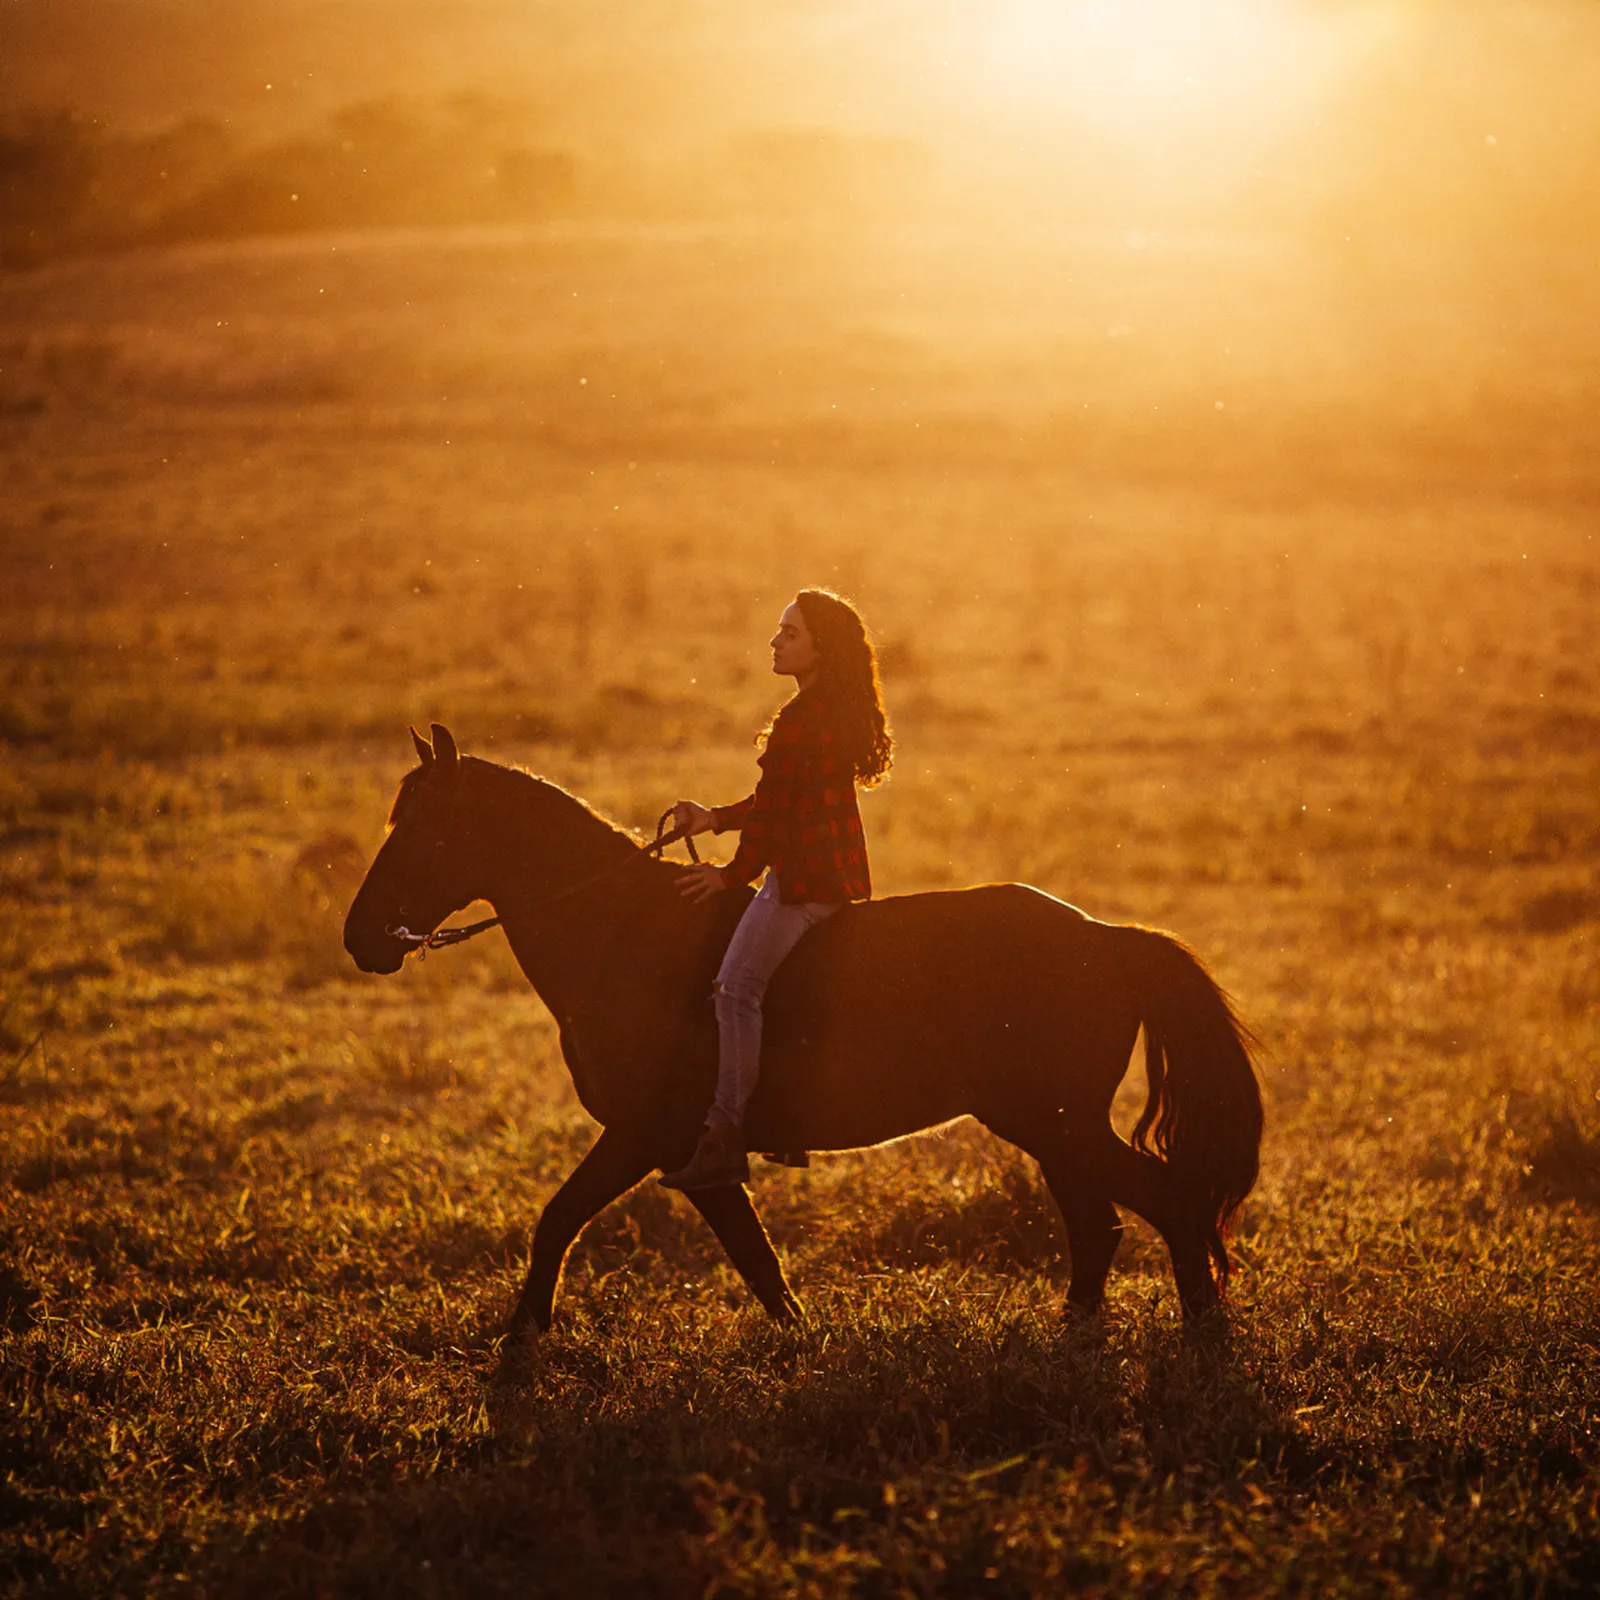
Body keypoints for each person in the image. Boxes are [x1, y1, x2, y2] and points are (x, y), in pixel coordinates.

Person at [658, 588, 893, 1189]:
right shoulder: (829, 708)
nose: (775, 641)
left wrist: (729, 875)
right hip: (834, 876)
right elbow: (776, 800)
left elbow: (775, 821)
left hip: (801, 883)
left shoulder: (800, 719)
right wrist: (712, 818)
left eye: (790, 633)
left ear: (821, 648)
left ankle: (725, 1133)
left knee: (735, 989)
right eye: (779, 630)